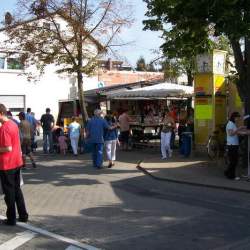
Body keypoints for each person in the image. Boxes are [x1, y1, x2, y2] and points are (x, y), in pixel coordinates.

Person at [0, 104, 29, 226]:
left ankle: (11, 218)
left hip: (7, 164)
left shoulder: (4, 128)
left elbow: (7, 147)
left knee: (9, 192)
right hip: (17, 162)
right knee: (17, 190)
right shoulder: (13, 124)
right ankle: (23, 215)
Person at [224, 112, 245, 180]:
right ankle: (231, 176)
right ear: (234, 117)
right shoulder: (230, 124)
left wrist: (241, 132)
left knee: (233, 160)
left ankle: (227, 172)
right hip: (232, 145)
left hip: (233, 144)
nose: (238, 119)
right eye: (237, 117)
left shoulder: (232, 124)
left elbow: (234, 132)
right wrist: (239, 129)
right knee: (234, 161)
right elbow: (231, 133)